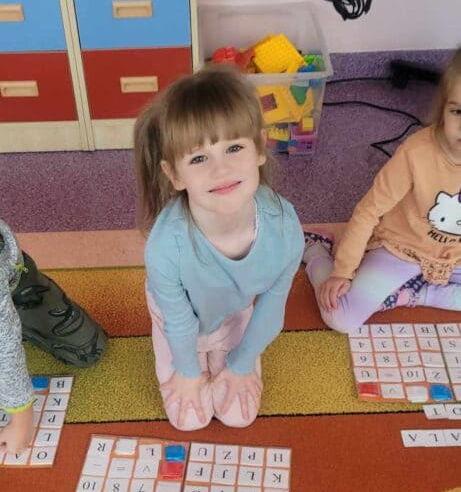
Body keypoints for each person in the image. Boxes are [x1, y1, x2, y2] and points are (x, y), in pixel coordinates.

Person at [134, 65, 304, 431]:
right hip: (176, 323)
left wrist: (242, 364)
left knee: (239, 416)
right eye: (199, 158)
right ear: (174, 174)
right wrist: (188, 371)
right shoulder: (165, 248)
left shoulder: (285, 228)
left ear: (259, 148)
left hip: (233, 314)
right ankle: (197, 357)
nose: (220, 169)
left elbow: (272, 307)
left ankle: (223, 349)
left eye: (234, 148)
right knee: (188, 421)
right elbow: (179, 320)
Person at [303, 47, 461, 332]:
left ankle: (417, 294)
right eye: (458, 111)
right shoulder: (416, 152)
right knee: (339, 316)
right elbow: (368, 212)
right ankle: (315, 250)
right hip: (401, 250)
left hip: (455, 258)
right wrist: (342, 272)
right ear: (442, 109)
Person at [0, 220, 107, 454]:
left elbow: (4, 343)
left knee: (88, 350)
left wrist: (21, 419)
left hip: (13, 284)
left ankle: (25, 309)